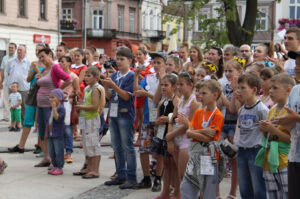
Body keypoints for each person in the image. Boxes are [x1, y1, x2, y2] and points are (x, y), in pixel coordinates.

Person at [180, 80, 225, 199]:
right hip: (195, 155)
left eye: (204, 93)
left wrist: (195, 132)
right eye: (199, 93)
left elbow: (209, 139)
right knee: (186, 186)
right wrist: (203, 131)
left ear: (215, 95)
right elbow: (189, 133)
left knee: (208, 191)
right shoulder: (199, 112)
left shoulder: (218, 115)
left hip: (209, 156)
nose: (200, 96)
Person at [102, 48, 137, 189]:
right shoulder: (115, 75)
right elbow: (110, 97)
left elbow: (127, 96)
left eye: (122, 59)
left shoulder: (132, 76)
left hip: (125, 114)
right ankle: (120, 174)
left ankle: (132, 177)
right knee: (116, 146)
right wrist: (106, 87)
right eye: (117, 58)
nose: (119, 61)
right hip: (113, 113)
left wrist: (113, 86)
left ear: (130, 60)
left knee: (127, 146)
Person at [256, 73, 295, 199]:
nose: (270, 91)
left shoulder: (291, 111)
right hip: (269, 159)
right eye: (270, 88)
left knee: (286, 194)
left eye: (275, 88)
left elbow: (291, 139)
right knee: (272, 194)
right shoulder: (272, 109)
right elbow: (269, 134)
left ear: (288, 90)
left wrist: (273, 129)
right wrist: (264, 130)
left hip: (283, 160)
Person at [34, 48, 71, 167]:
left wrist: (58, 91)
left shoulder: (55, 68)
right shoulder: (44, 70)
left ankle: (53, 159)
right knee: (42, 132)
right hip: (40, 104)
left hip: (50, 106)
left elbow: (68, 79)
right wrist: (38, 78)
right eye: (39, 58)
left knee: (51, 132)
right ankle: (46, 157)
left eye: (43, 56)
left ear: (50, 54)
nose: (41, 60)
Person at [8, 44, 46, 154]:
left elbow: (46, 79)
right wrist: (33, 70)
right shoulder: (33, 63)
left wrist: (38, 71)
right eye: (36, 51)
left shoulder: (50, 66)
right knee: (28, 120)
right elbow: (28, 79)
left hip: (43, 95)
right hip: (33, 93)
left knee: (40, 122)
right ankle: (21, 146)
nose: (38, 53)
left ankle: (40, 145)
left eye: (40, 51)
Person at [235, 73, 268, 199]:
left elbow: (267, 132)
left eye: (243, 88)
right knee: (244, 188)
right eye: (238, 87)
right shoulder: (241, 109)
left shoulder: (262, 109)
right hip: (242, 151)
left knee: (259, 188)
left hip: (256, 150)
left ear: (254, 90)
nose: (239, 91)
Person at [272, 50, 300, 199]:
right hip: (294, 156)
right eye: (296, 64)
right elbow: (290, 119)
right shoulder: (295, 90)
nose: (297, 67)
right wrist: (284, 122)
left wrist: (297, 118)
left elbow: (295, 118)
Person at [133, 53, 161, 190]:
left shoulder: (168, 79)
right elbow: (136, 91)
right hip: (148, 117)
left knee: (160, 150)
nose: (155, 65)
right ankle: (146, 178)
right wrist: (136, 76)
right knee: (143, 149)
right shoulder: (149, 78)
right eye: (154, 62)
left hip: (161, 120)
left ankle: (158, 178)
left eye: (159, 63)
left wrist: (147, 94)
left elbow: (160, 99)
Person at [218, 58, 243, 199]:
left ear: (239, 72)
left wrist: (223, 95)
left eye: (230, 71)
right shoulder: (225, 86)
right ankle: (216, 193)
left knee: (234, 161)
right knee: (218, 158)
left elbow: (233, 109)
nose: (227, 73)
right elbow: (219, 105)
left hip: (233, 125)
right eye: (226, 71)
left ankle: (232, 193)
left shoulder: (239, 88)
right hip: (223, 123)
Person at [73, 67, 105, 179]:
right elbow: (87, 102)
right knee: (86, 144)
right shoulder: (87, 88)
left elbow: (96, 106)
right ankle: (89, 167)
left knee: (93, 143)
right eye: (85, 75)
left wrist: (81, 106)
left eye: (89, 76)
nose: (86, 78)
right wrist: (80, 105)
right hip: (85, 118)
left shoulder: (97, 89)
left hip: (92, 119)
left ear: (96, 77)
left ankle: (95, 169)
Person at [152, 74, 180, 199]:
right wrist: (157, 122)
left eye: (166, 85)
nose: (163, 87)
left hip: (171, 134)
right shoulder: (162, 102)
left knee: (175, 165)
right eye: (162, 85)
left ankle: (176, 191)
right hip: (162, 135)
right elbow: (156, 119)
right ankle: (165, 191)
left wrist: (168, 119)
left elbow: (177, 118)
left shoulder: (176, 100)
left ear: (174, 87)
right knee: (166, 164)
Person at [59, 56, 80, 163]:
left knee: (67, 129)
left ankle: (69, 152)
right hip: (57, 103)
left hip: (67, 104)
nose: (60, 63)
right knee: (58, 128)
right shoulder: (57, 75)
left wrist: (69, 95)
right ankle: (59, 152)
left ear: (69, 63)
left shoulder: (73, 76)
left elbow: (77, 91)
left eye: (62, 61)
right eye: (59, 62)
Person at [6, 45, 31, 123]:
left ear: (25, 52)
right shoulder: (10, 61)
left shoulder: (28, 62)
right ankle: (14, 123)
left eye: (21, 50)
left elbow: (30, 74)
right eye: (18, 50)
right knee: (12, 105)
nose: (19, 51)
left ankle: (23, 122)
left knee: (23, 106)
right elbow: (8, 72)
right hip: (12, 87)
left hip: (24, 88)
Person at [47, 89, 66, 175]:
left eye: (53, 97)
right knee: (52, 151)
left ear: (59, 98)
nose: (51, 99)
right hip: (50, 133)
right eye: (50, 97)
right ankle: (54, 165)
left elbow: (57, 118)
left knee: (58, 150)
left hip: (58, 133)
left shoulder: (61, 108)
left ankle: (59, 167)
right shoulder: (50, 108)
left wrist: (54, 108)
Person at [0, 42, 16, 122]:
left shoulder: (17, 58)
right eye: (9, 47)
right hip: (6, 82)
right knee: (6, 100)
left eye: (12, 48)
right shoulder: (5, 58)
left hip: (14, 83)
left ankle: (15, 117)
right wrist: (1, 81)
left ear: (15, 49)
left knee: (14, 99)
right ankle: (6, 117)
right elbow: (2, 70)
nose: (10, 49)